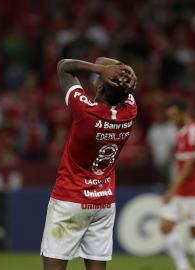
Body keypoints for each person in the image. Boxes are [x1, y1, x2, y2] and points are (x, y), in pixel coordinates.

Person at [40, 57, 137, 270]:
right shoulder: (130, 111)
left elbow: (63, 67)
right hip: (103, 202)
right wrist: (127, 70)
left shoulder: (86, 112)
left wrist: (99, 68)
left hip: (70, 200)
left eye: (98, 79)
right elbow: (106, 63)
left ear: (101, 86)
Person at [160, 100, 195, 270]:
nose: (172, 120)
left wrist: (171, 190)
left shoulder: (193, 132)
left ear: (183, 113)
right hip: (182, 189)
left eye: (174, 116)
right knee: (165, 226)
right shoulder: (182, 132)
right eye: (169, 117)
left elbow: (189, 166)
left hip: (194, 190)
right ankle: (183, 267)